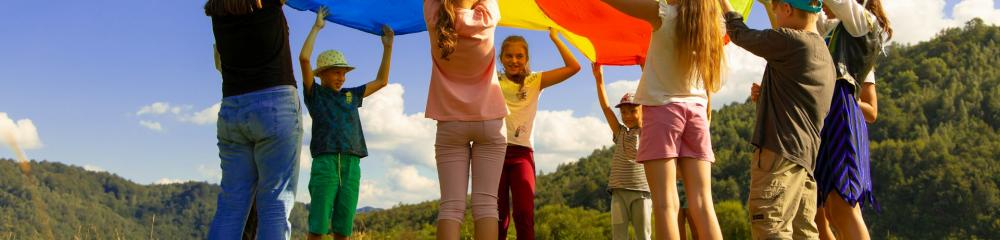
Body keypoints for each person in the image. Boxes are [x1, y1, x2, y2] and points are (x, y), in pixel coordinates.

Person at [601, 0, 727, 239]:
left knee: (665, 204)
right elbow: (730, 16)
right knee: (703, 204)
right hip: (697, 113)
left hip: (663, 112)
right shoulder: (714, 24)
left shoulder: (663, 14)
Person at [722, 0, 836, 238]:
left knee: (770, 226)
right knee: (803, 232)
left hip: (778, 153)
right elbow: (801, 101)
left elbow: (740, 33)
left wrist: (724, 4)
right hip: (804, 159)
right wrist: (767, 93)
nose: (774, 15)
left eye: (775, 9)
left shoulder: (791, 40)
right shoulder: (824, 55)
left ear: (787, 8)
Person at [205, 0, 303, 239]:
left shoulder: (217, 9)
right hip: (274, 107)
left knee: (230, 207)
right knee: (275, 205)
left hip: (232, 109)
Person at [298, 7, 395, 240]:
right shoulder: (315, 93)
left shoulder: (351, 95)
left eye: (344, 74)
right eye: (336, 73)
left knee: (343, 228)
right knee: (318, 226)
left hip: (352, 163)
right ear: (321, 74)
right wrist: (317, 27)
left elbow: (382, 81)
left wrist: (388, 46)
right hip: (325, 162)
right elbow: (304, 58)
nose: (341, 78)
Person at [423, 0, 508, 239]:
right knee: (487, 205)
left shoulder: (433, 15)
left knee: (450, 206)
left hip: (450, 123)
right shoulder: (488, 15)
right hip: (490, 121)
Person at [495, 29, 581, 240]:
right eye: (509, 55)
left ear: (526, 58)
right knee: (498, 215)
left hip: (522, 154)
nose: (514, 60)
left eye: (519, 56)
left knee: (524, 212)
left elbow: (574, 67)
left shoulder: (535, 80)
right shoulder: (493, 78)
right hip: (494, 152)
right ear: (501, 58)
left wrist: (556, 38)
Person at [595, 65, 652, 240]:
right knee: (619, 236)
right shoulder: (620, 133)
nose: (627, 115)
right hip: (618, 192)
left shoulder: (648, 131)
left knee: (643, 235)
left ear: (643, 110)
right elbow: (606, 108)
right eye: (624, 112)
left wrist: (646, 68)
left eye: (633, 111)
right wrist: (599, 80)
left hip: (641, 192)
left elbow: (653, 98)